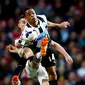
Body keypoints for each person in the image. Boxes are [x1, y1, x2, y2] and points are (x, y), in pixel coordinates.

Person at [20, 6, 73, 85]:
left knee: (53, 74)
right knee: (35, 62)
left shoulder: (42, 18)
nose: (32, 15)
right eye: (28, 14)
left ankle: (42, 52)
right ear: (26, 18)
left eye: (33, 13)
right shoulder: (27, 32)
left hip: (44, 49)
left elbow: (46, 24)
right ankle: (40, 54)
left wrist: (59, 25)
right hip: (32, 58)